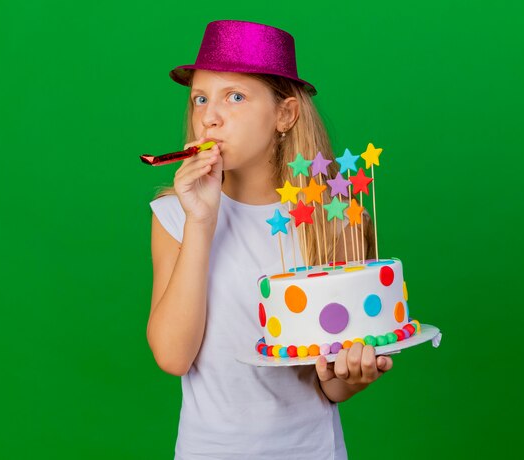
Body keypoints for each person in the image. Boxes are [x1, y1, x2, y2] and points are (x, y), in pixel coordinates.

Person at [147, 20, 393, 459]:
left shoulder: (330, 220)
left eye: (235, 97)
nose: (210, 116)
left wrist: (353, 374)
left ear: (285, 114)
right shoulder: (173, 215)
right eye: (200, 98)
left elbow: (330, 384)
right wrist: (200, 223)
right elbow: (172, 356)